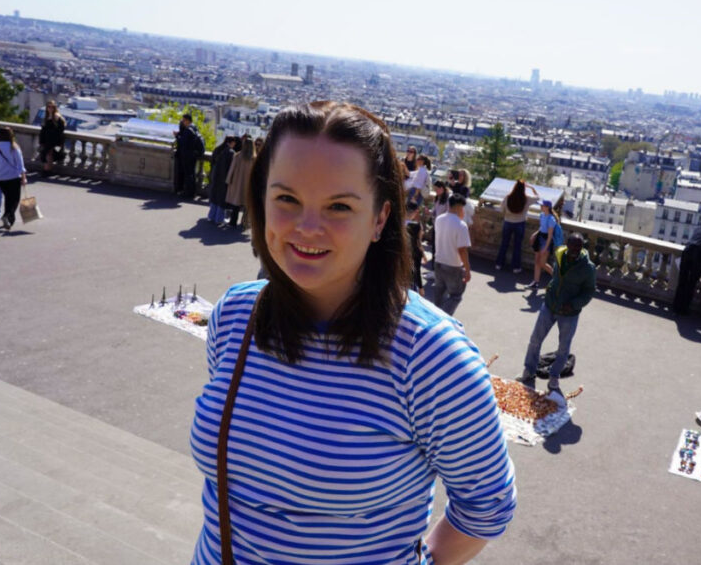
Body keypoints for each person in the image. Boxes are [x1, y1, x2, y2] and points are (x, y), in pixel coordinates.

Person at [190, 101, 515, 565]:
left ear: (381, 219)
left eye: (339, 206)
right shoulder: (237, 315)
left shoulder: (431, 356)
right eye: (286, 199)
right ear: (261, 201)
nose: (307, 227)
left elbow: (486, 506)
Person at [517, 233, 596, 402]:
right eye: (572, 246)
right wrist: (551, 291)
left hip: (569, 313)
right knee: (535, 339)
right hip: (550, 305)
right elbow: (555, 276)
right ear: (567, 245)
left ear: (582, 248)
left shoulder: (588, 268)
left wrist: (574, 304)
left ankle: (554, 376)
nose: (575, 250)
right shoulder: (560, 255)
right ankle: (529, 370)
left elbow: (589, 292)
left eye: (578, 247)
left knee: (563, 348)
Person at [432, 193, 472, 316]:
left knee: (439, 293)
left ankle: (434, 317)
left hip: (438, 262)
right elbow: (462, 250)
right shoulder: (461, 225)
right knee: (455, 296)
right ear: (460, 207)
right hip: (453, 265)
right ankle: (443, 319)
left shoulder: (439, 219)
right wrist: (467, 269)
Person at [495, 179, 540, 272]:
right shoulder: (527, 199)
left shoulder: (508, 197)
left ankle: (499, 264)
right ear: (524, 189)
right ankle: (516, 267)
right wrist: (532, 188)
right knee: (517, 246)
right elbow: (538, 197)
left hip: (507, 222)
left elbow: (501, 209)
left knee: (504, 244)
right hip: (520, 223)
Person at [0, 127, 28, 230]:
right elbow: (20, 164)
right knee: (15, 199)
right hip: (13, 176)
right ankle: (7, 216)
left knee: (8, 197)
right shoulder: (14, 147)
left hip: (0, 177)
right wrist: (24, 177)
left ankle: (9, 219)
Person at [224, 136, 256, 229]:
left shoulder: (237, 156)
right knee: (247, 205)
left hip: (237, 183)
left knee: (236, 204)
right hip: (249, 185)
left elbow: (231, 170)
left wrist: (228, 180)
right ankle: (244, 223)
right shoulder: (254, 159)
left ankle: (233, 222)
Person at [527, 200, 559, 289]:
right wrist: (535, 234)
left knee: (542, 263)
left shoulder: (551, 219)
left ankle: (557, 278)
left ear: (547, 207)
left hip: (546, 240)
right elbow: (542, 228)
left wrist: (546, 247)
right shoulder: (542, 215)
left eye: (542, 205)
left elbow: (550, 235)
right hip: (540, 237)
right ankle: (535, 282)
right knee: (537, 261)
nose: (541, 207)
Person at [173, 113, 205, 200]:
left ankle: (188, 193)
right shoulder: (194, 127)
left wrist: (177, 136)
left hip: (188, 156)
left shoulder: (188, 131)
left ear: (187, 120)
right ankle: (192, 192)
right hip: (193, 155)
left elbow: (183, 143)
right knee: (192, 174)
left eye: (183, 120)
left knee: (188, 174)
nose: (182, 122)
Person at [206, 136, 236, 225]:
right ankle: (219, 218)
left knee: (214, 196)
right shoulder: (231, 153)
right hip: (224, 178)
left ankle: (211, 216)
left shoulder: (218, 149)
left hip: (216, 176)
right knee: (222, 199)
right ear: (230, 142)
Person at [38, 100, 66, 175]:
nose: (50, 108)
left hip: (52, 140)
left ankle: (47, 170)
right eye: (48, 107)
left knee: (48, 154)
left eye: (52, 107)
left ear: (55, 108)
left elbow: (61, 128)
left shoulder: (56, 116)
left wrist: (55, 138)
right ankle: (48, 170)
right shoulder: (47, 116)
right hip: (47, 139)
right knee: (48, 154)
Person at [406, 200, 426, 296]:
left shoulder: (397, 224)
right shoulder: (416, 226)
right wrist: (421, 287)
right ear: (415, 212)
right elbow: (418, 242)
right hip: (413, 255)